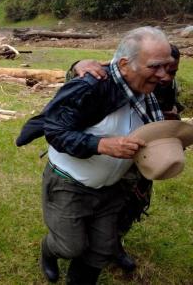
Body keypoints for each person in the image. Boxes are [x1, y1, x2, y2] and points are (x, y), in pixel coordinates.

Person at [16, 26, 172, 284]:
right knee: (70, 247)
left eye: (166, 66)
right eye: (155, 67)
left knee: (101, 248)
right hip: (70, 183)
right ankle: (49, 249)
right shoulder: (90, 86)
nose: (163, 75)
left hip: (112, 188)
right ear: (124, 64)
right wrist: (101, 145)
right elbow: (54, 131)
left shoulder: (152, 88)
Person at [65, 44, 184, 272]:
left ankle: (114, 244)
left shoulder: (169, 86)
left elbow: (171, 111)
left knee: (131, 204)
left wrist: (172, 119)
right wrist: (76, 65)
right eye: (162, 70)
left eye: (173, 72)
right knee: (94, 203)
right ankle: (75, 243)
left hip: (142, 156)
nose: (166, 77)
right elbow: (77, 83)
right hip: (107, 153)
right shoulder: (120, 73)